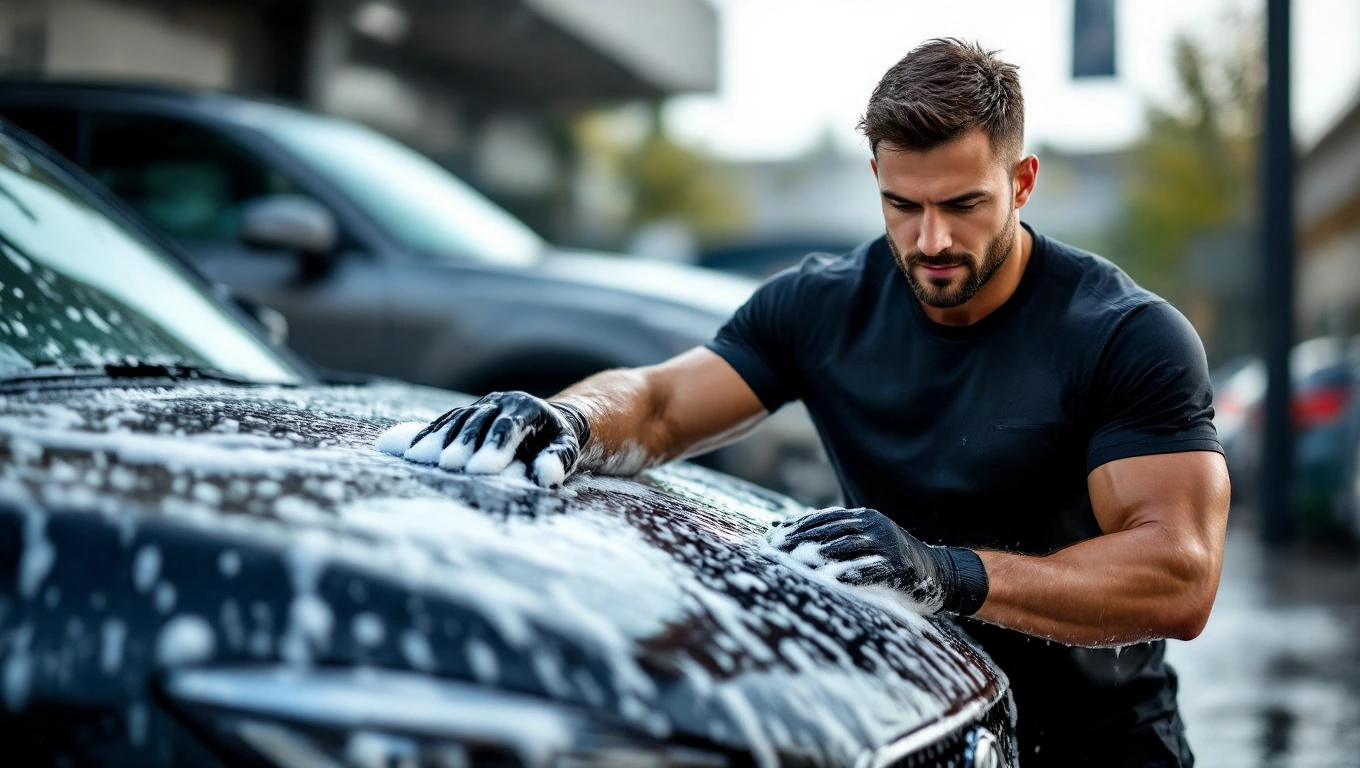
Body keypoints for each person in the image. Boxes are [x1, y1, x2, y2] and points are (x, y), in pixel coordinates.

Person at [387, 38, 1230, 767]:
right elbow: (656, 404)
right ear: (875, 179)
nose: (932, 240)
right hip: (911, 726)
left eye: (963, 204)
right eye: (904, 205)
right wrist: (566, 417)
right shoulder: (821, 304)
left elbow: (1177, 574)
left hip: (1101, 745)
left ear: (1022, 182)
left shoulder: (1126, 334)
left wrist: (946, 572)